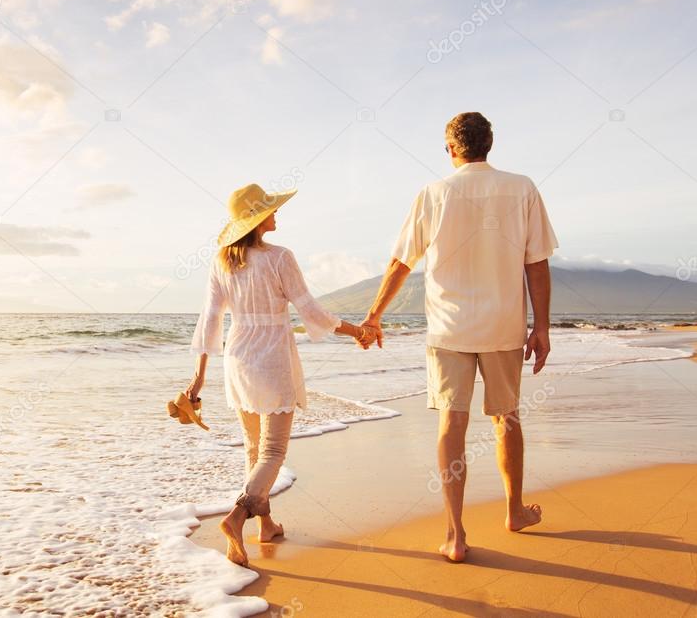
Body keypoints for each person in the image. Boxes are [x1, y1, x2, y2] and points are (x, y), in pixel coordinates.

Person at [361, 112, 558, 563]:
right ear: (491, 143)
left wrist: (373, 316)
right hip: (504, 326)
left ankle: (455, 534)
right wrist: (542, 326)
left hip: (449, 329)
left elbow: (400, 263)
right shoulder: (522, 186)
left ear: (451, 149)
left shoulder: (433, 193)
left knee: (451, 422)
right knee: (506, 417)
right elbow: (537, 264)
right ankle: (514, 512)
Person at [187, 183, 375, 567]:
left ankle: (265, 524)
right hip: (272, 360)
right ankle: (238, 516)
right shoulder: (279, 258)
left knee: (254, 449)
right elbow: (313, 314)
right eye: (270, 210)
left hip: (237, 360)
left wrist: (198, 379)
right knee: (272, 452)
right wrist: (359, 332)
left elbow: (209, 322)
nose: (277, 214)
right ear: (257, 221)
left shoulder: (222, 261)